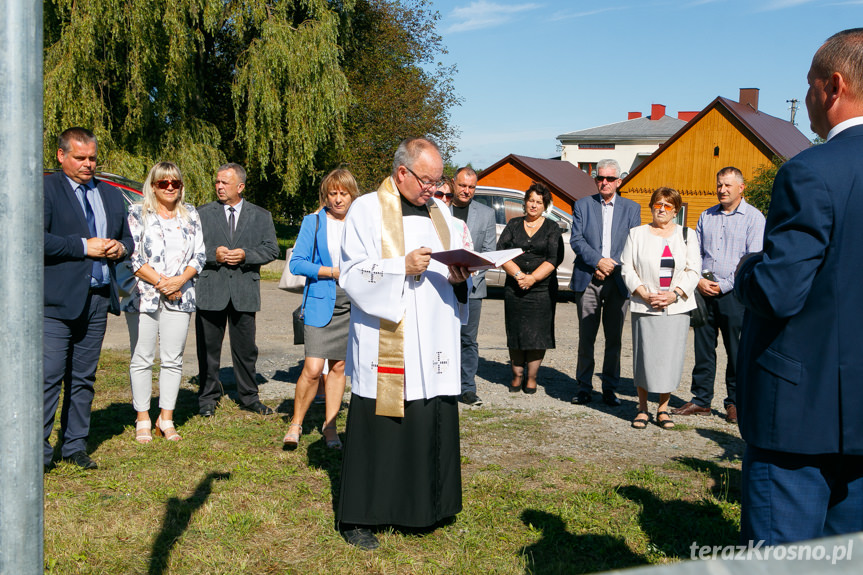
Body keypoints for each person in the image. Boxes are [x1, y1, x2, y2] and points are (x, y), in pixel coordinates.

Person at [735, 28, 863, 545]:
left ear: (832, 86)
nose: (807, 99)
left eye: (808, 86)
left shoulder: (811, 171)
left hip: (797, 420)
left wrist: (746, 270)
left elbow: (780, 291)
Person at [337, 138, 471, 550]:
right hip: (387, 339)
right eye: (427, 180)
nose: (434, 188)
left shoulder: (442, 213)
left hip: (433, 336)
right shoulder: (366, 209)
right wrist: (401, 266)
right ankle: (361, 516)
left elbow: (456, 261)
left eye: (437, 180)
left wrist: (462, 276)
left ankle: (427, 507)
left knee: (430, 415)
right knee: (380, 426)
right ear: (402, 173)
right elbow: (352, 272)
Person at [43, 127, 134, 470]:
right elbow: (35, 240)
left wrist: (120, 247)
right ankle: (39, 451)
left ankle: (75, 446)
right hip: (54, 302)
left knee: (83, 377)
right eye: (80, 158)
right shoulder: (45, 189)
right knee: (49, 377)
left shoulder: (109, 194)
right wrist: (84, 246)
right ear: (61, 156)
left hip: (96, 299)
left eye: (92, 158)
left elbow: (128, 238)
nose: (88, 164)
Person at [672, 167, 764, 424]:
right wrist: (699, 279)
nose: (722, 190)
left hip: (736, 295)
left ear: (741, 188)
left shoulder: (754, 219)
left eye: (727, 186)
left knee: (736, 351)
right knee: (703, 349)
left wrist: (723, 285)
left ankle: (735, 402)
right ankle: (701, 400)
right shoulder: (706, 216)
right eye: (719, 185)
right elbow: (695, 252)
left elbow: (752, 260)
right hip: (703, 291)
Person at [123, 162, 206, 443]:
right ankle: (143, 416)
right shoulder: (137, 213)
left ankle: (166, 418)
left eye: (175, 183)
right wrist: (162, 283)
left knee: (173, 359)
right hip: (144, 296)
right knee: (142, 357)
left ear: (181, 186)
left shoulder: (191, 214)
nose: (169, 187)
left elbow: (200, 256)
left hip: (182, 294)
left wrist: (179, 282)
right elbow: (133, 257)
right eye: (163, 183)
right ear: (153, 185)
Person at [195, 163, 280, 417]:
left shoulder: (260, 215)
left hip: (244, 291)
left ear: (240, 186)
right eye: (217, 182)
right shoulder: (201, 214)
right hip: (211, 289)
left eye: (225, 183)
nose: (219, 187)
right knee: (208, 348)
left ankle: (249, 397)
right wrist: (214, 255)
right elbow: (191, 250)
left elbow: (271, 249)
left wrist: (246, 255)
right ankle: (207, 398)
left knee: (245, 349)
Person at [283, 168, 359, 449]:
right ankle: (296, 423)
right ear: (325, 195)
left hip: (352, 303)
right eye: (333, 193)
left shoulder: (361, 223)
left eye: (344, 193)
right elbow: (297, 263)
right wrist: (330, 271)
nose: (338, 199)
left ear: (353, 195)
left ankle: (330, 429)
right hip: (319, 299)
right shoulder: (312, 222)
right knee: (313, 368)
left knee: (338, 367)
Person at [620, 187, 700, 430]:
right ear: (651, 206)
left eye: (667, 205)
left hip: (675, 308)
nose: (661, 209)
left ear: (676, 210)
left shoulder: (688, 234)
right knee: (644, 357)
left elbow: (694, 270)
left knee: (668, 358)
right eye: (658, 204)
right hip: (645, 305)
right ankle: (642, 408)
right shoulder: (637, 233)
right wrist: (643, 293)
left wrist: (674, 295)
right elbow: (627, 267)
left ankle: (663, 408)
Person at [570, 159, 641, 407]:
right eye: (600, 178)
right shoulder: (582, 205)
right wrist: (599, 262)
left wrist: (610, 266)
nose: (604, 182)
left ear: (619, 181)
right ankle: (584, 388)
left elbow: (633, 244)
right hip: (588, 278)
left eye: (610, 179)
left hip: (618, 281)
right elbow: (577, 241)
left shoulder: (632, 208)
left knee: (614, 339)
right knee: (586, 337)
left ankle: (610, 389)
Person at [497, 183, 564, 394]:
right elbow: (501, 252)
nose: (534, 205)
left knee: (537, 335)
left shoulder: (552, 228)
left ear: (545, 205)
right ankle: (516, 375)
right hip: (514, 288)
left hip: (542, 290)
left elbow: (554, 258)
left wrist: (532, 278)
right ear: (525, 202)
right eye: (531, 200)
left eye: (539, 202)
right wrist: (518, 275)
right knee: (515, 331)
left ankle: (532, 377)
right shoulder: (513, 224)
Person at [451, 167, 497, 407]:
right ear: (453, 184)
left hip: (473, 286)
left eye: (471, 187)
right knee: (442, 336)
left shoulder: (486, 214)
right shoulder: (438, 209)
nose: (466, 191)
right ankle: (442, 386)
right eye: (462, 185)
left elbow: (489, 252)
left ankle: (467, 388)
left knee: (468, 339)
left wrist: (472, 273)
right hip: (442, 284)